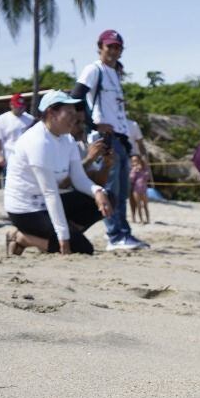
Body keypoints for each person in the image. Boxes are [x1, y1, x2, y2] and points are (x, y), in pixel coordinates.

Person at [2, 90, 112, 255]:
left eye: (75, 112)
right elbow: (50, 193)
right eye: (69, 112)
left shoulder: (67, 139)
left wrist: (98, 192)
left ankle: (62, 234)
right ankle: (21, 238)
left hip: (50, 202)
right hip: (26, 210)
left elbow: (79, 178)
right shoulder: (36, 141)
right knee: (82, 249)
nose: (74, 118)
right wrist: (63, 237)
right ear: (51, 113)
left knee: (108, 198)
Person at [70, 28, 147, 250]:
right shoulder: (94, 70)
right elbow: (76, 95)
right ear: (100, 48)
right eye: (109, 46)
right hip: (105, 137)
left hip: (120, 137)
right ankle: (115, 235)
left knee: (122, 190)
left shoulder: (114, 73)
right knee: (111, 188)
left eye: (117, 47)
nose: (113, 50)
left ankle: (123, 233)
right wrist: (93, 124)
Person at [0, 93, 35, 184]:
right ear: (11, 105)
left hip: (28, 159)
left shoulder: (30, 119)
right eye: (18, 106)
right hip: (10, 159)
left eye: (22, 107)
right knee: (10, 185)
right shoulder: (2, 119)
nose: (20, 109)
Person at [128, 154, 150, 223]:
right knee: (138, 206)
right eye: (133, 161)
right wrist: (134, 171)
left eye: (136, 160)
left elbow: (147, 177)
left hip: (143, 189)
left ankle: (148, 220)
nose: (135, 162)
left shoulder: (144, 168)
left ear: (140, 160)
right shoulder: (132, 169)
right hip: (136, 190)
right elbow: (131, 179)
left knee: (145, 205)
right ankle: (141, 220)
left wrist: (142, 171)